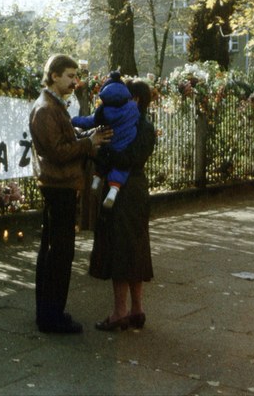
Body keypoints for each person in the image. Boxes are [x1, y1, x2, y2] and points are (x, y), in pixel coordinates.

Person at [29, 54, 111, 334]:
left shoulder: (52, 106)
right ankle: (53, 317)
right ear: (54, 76)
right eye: (70, 76)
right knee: (60, 253)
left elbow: (61, 140)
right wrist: (88, 143)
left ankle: (47, 313)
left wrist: (82, 135)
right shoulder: (46, 109)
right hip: (59, 185)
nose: (75, 82)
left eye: (76, 76)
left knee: (52, 251)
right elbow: (58, 152)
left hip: (58, 184)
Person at [88, 78, 156, 331]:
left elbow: (126, 158)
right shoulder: (146, 126)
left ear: (135, 100)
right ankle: (137, 309)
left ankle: (119, 312)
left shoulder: (129, 126)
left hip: (123, 191)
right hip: (138, 189)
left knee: (118, 249)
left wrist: (100, 151)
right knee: (136, 247)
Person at [70, 71, 139, 209]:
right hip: (125, 142)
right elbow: (137, 120)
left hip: (109, 141)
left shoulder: (103, 111)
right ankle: (114, 190)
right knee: (121, 168)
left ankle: (96, 179)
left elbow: (89, 121)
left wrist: (73, 120)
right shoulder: (132, 108)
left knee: (102, 157)